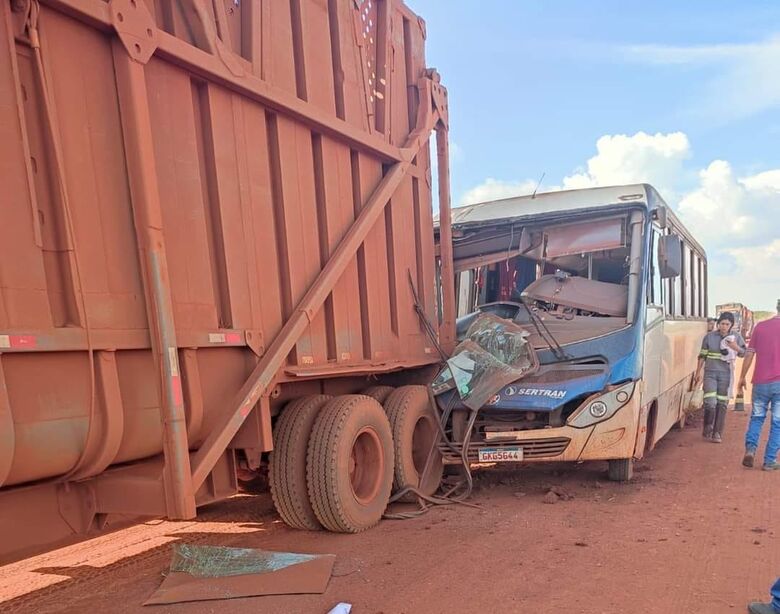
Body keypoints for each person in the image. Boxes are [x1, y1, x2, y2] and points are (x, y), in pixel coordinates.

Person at [738, 299, 780, 471]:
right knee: (777, 423)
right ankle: (769, 461)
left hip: (760, 382)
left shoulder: (760, 327)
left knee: (757, 418)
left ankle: (751, 449)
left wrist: (742, 377)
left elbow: (749, 354)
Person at [694, 312, 745, 442]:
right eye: (722, 323)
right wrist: (698, 372)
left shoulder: (736, 337)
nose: (724, 326)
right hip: (710, 373)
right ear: (718, 324)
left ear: (731, 325)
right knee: (710, 402)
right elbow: (702, 355)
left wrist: (736, 347)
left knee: (722, 403)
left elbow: (744, 353)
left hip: (726, 375)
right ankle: (708, 425)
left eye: (727, 324)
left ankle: (717, 433)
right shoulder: (709, 337)